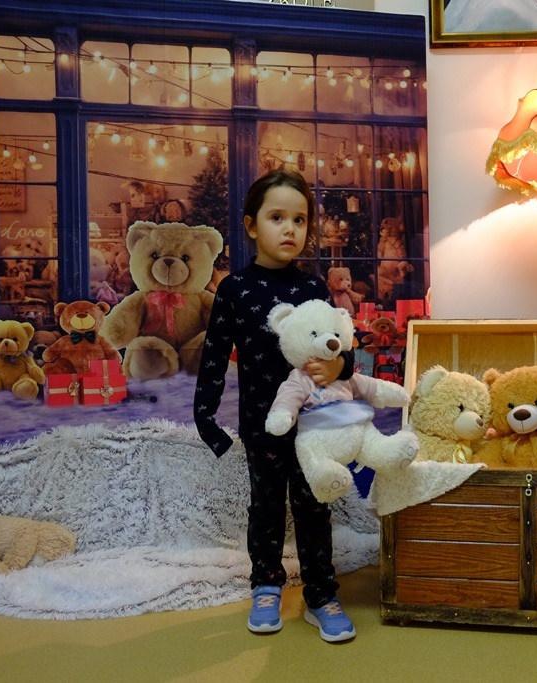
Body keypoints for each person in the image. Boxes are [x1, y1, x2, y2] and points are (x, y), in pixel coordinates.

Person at [193, 168, 358, 643]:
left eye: (300, 220)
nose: (290, 229)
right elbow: (214, 357)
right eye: (277, 217)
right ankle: (266, 585)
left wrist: (341, 366)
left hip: (315, 425)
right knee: (265, 507)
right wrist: (206, 419)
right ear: (251, 225)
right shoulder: (234, 290)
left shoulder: (314, 290)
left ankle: (321, 594)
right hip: (261, 425)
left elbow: (343, 349)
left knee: (313, 507)